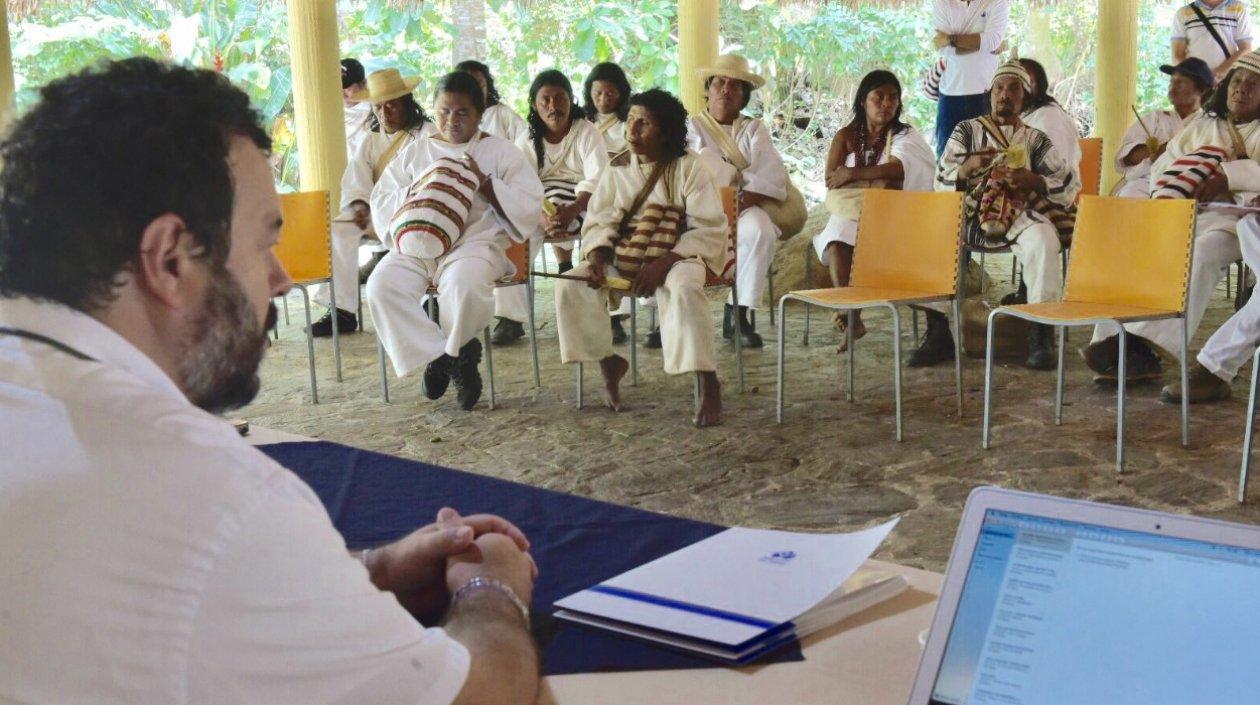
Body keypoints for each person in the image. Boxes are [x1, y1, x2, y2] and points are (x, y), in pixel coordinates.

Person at [0, 58, 538, 704]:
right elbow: (481, 696)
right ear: (169, 259)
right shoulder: (217, 494)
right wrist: (492, 590)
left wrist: (366, 572)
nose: (281, 279)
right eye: (263, 243)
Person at [1086, 51, 1260, 395]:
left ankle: (1147, 348)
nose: (1242, 89)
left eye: (1253, 84)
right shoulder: (1203, 125)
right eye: (1237, 81)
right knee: (1141, 246)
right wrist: (1182, 186)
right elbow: (1163, 166)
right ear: (1224, 88)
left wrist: (1227, 177)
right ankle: (1113, 338)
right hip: (1185, 212)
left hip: (1236, 221)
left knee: (1204, 253)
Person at [369, 71, 544, 410]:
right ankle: (451, 354)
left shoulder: (500, 151)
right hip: (416, 245)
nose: (451, 120)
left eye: (462, 112)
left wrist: (486, 183)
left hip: (475, 245)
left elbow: (528, 202)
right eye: (444, 111)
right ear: (433, 111)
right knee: (381, 286)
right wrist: (421, 186)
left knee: (463, 287)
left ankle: (450, 353)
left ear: (480, 114)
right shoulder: (416, 152)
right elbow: (382, 198)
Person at [554, 88, 728, 427]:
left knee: (685, 288)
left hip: (678, 255)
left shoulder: (689, 167)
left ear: (664, 131)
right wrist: (598, 260)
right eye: (630, 121)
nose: (632, 131)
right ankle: (609, 362)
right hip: (625, 254)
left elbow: (708, 226)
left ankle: (708, 381)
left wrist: (663, 263)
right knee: (569, 286)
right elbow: (600, 220)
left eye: (643, 123)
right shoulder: (617, 167)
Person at [924, 60, 1078, 370]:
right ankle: (938, 332)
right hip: (971, 212)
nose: (1004, 94)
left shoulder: (1036, 139)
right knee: (935, 236)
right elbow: (940, 178)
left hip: (1019, 213)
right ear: (990, 94)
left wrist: (1033, 180)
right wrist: (965, 170)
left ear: (1024, 97)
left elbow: (1067, 184)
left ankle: (1040, 333)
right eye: (999, 88)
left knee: (1045, 239)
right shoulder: (966, 130)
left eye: (1013, 89)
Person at [311, 68, 437, 337]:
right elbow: (356, 178)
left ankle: (432, 303)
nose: (384, 113)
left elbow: (429, 185)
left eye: (391, 105)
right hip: (375, 216)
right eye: (378, 107)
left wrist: (386, 211)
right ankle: (343, 310)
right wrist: (359, 206)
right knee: (340, 228)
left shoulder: (429, 135)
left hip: (416, 215)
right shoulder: (370, 139)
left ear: (407, 103)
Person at [818, 70, 935, 352]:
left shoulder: (905, 134)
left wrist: (854, 174)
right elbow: (832, 179)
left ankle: (852, 315)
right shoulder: (845, 136)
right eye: (878, 97)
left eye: (893, 98)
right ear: (863, 101)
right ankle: (852, 315)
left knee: (885, 189)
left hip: (892, 218)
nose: (886, 104)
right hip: (851, 212)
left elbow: (899, 169)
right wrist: (873, 180)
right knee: (836, 242)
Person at [489, 70, 608, 347]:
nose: (553, 107)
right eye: (546, 100)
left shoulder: (587, 132)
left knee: (605, 228)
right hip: (539, 204)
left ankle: (607, 314)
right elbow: (521, 187)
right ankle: (510, 317)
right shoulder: (527, 140)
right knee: (510, 232)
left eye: (560, 98)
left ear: (571, 99)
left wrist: (572, 210)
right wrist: (544, 217)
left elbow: (598, 178)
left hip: (583, 200)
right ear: (534, 104)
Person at [687, 53, 788, 349]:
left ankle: (739, 311)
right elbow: (688, 171)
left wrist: (737, 199)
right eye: (719, 82)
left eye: (735, 85)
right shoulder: (691, 127)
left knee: (761, 231)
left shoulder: (754, 129)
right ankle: (661, 317)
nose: (726, 90)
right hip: (697, 211)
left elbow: (770, 171)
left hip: (741, 205)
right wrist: (730, 175)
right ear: (708, 88)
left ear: (744, 96)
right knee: (704, 157)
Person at [584, 61, 636, 343]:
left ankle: (616, 315)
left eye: (610, 93)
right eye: (598, 93)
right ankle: (598, 312)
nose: (604, 100)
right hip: (591, 192)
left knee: (618, 240)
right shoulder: (582, 124)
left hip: (622, 191)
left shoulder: (630, 122)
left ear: (622, 93)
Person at [1114, 57, 1213, 199]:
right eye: (1171, 82)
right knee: (1130, 196)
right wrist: (1154, 151)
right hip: (1145, 183)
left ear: (1201, 90)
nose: (1172, 88)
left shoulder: (1209, 124)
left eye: (1180, 83)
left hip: (1187, 185)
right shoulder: (1156, 118)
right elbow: (1127, 158)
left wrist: (1170, 150)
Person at [931, 0, 1010, 157]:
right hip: (950, 95)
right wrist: (983, 45)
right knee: (947, 160)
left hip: (986, 93)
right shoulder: (942, 2)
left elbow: (992, 41)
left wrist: (950, 39)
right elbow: (944, 49)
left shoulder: (997, 2)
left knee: (988, 160)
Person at [1018, 58, 1081, 189]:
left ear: (1039, 85)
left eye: (1025, 81)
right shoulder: (1024, 115)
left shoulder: (1049, 117)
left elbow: (1054, 172)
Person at [1172, 0, 1253, 81]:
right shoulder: (1183, 13)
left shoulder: (1238, 8)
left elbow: (1245, 48)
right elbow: (1178, 55)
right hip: (1195, 84)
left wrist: (1218, 74)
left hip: (1226, 81)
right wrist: (1190, 79)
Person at [455, 59, 528, 143]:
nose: (477, 91)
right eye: (469, 87)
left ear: (487, 87)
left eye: (481, 85)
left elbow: (526, 144)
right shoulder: (453, 117)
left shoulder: (503, 114)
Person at [342, 57, 371, 159]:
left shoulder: (378, 109)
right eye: (338, 88)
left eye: (348, 88)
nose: (342, 94)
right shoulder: (330, 112)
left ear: (363, 83)